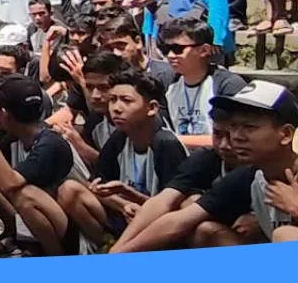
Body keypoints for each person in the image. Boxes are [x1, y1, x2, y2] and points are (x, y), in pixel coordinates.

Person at [109, 80, 298, 250]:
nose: (237, 137)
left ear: (286, 134)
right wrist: (117, 254)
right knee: (204, 228)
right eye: (234, 126)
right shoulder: (251, 174)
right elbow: (178, 220)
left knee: (285, 235)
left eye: (249, 127)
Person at [58, 69, 187, 249]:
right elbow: (97, 186)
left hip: (158, 224)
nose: (116, 108)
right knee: (69, 190)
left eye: (126, 101)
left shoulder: (166, 144)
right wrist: (123, 204)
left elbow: (176, 210)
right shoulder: (119, 137)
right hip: (125, 216)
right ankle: (107, 245)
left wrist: (135, 201)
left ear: (152, 108)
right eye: (113, 100)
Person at [0, 75, 80, 256]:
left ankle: (54, 258)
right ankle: (15, 238)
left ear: (5, 112)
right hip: (40, 222)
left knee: (25, 196)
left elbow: (9, 183)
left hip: (71, 229)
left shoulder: (50, 143)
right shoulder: (16, 137)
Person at [159, 17, 246, 149]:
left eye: (178, 49)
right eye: (166, 49)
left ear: (204, 50)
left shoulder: (227, 85)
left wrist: (172, 140)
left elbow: (232, 137)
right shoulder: (166, 82)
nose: (170, 55)